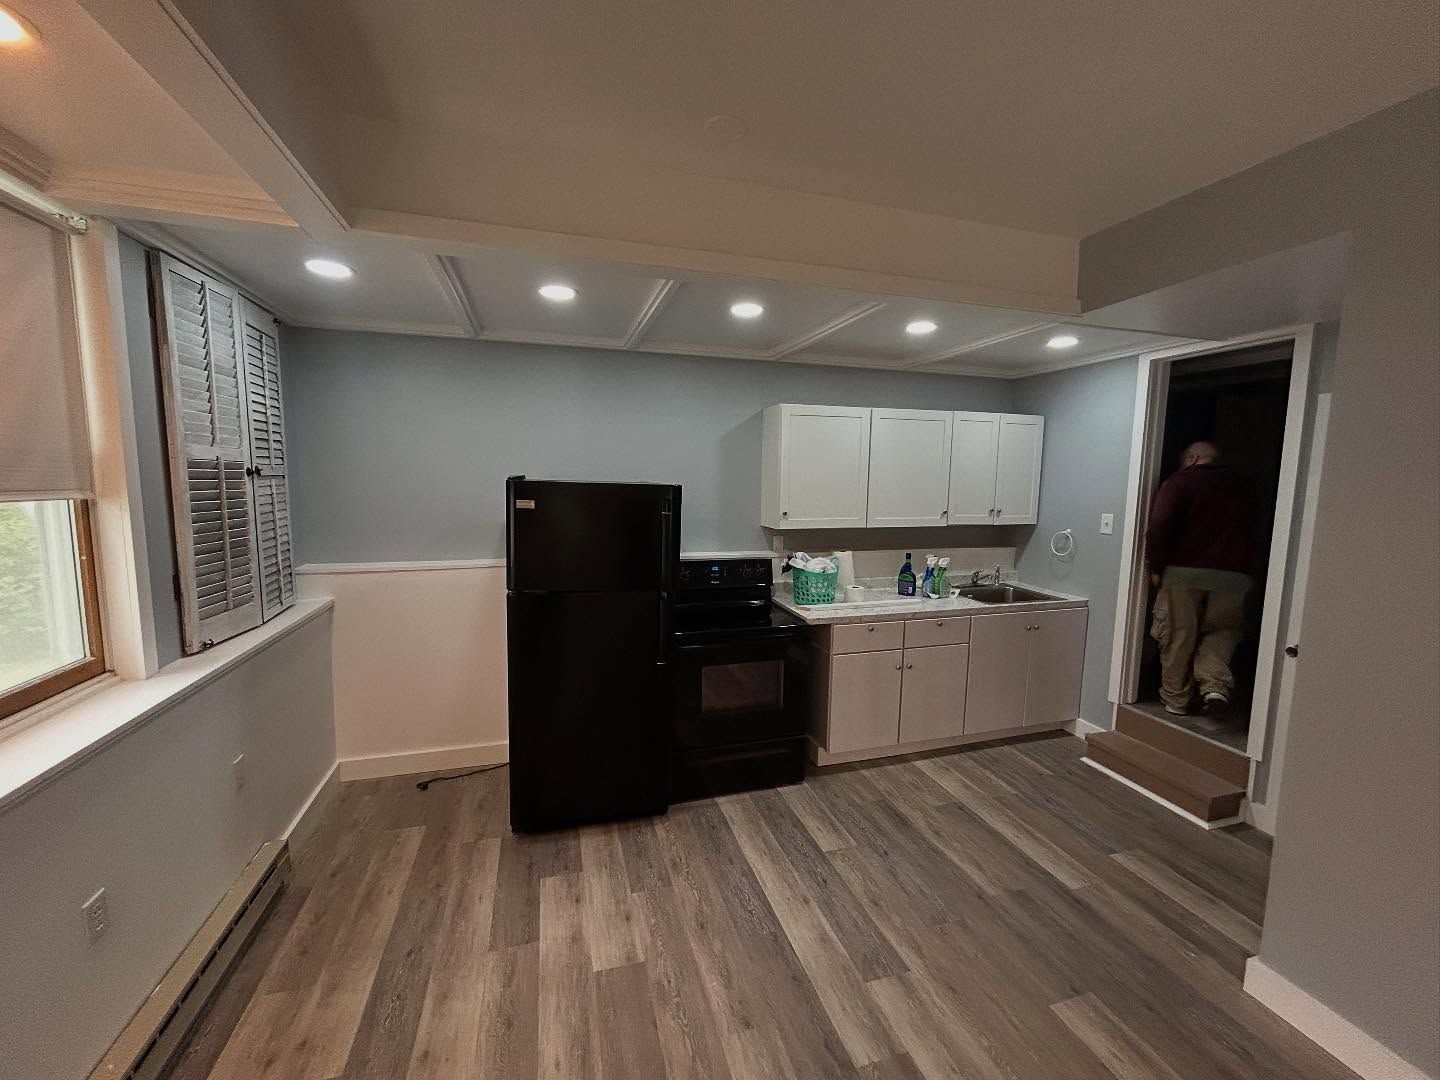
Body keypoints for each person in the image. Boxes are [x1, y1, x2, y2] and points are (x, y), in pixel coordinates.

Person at [1145, 440, 1259, 716]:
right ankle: (1214, 687)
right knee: (1224, 631)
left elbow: (1159, 525)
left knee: (1178, 635)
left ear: (1193, 458)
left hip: (1184, 573)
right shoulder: (1246, 486)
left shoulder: (1181, 482)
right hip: (1235, 576)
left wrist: (1156, 566)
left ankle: (1176, 700)